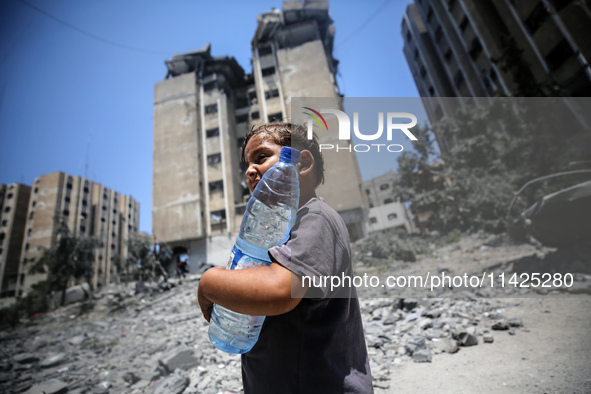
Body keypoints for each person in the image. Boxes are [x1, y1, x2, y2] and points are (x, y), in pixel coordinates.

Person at [197, 121, 373, 393]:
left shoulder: (315, 219)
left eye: (261, 157)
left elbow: (281, 290)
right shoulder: (278, 231)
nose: (250, 170)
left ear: (302, 164)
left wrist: (210, 283)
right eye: (246, 164)